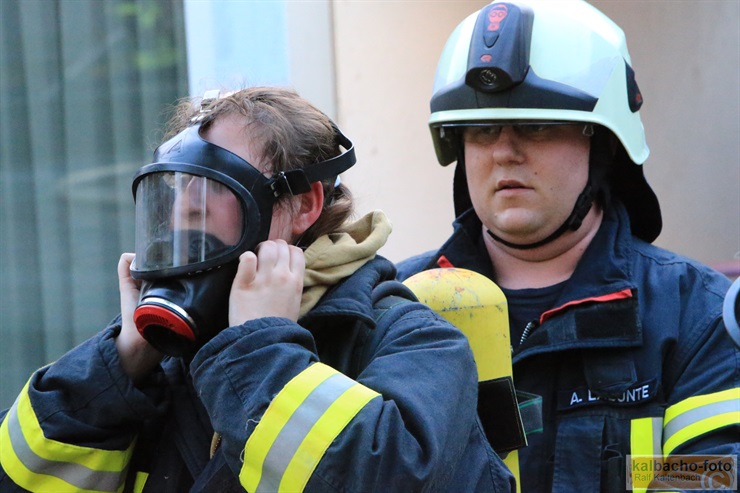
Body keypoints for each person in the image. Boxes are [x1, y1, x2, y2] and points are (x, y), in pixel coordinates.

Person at [0, 87, 514, 492]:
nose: (184, 208)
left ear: (303, 205)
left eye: (210, 186)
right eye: (175, 188)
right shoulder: (161, 358)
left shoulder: (413, 342)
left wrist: (260, 347)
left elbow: (384, 478)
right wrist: (114, 369)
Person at [396, 1, 740, 492]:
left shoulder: (695, 315)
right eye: (483, 129)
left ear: (601, 144)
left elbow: (715, 475)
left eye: (536, 126)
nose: (504, 152)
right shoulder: (396, 306)